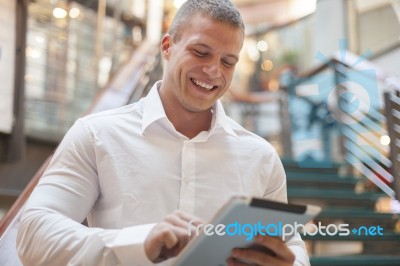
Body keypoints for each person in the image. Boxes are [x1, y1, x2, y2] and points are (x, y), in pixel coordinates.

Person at [16, 0, 310, 265]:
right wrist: (140, 242)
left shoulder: (261, 157)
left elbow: (293, 248)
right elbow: (34, 234)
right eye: (200, 52)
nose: (213, 71)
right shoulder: (96, 135)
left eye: (227, 62)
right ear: (167, 47)